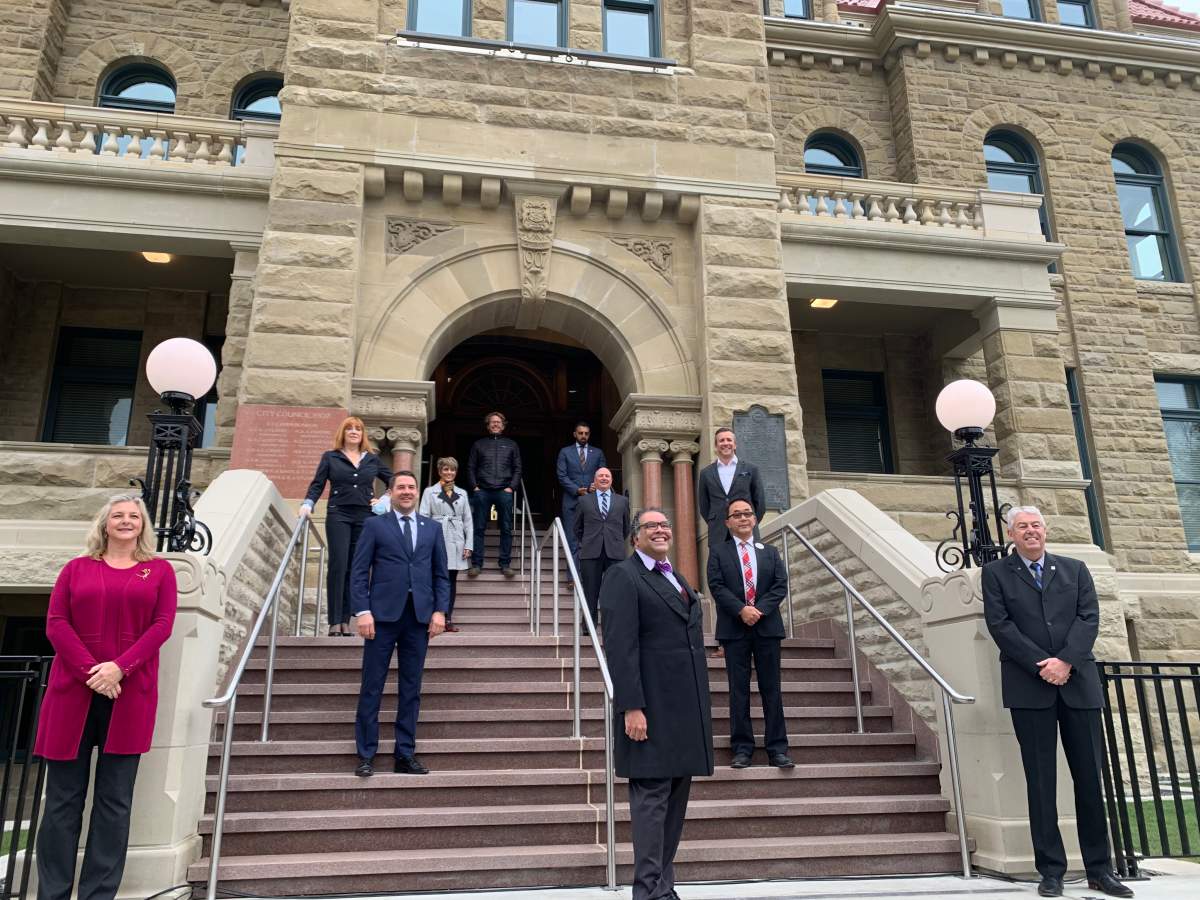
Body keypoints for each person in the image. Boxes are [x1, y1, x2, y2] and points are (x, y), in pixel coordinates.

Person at [982, 507, 1133, 899]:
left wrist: (1065, 661)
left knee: (1088, 779)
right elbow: (1001, 626)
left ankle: (1101, 869)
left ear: (1045, 531)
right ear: (1010, 534)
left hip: (1078, 685)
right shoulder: (996, 573)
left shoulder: (1075, 569)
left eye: (1036, 526)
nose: (1030, 532)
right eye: (1022, 527)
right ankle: (1051, 872)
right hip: (1029, 690)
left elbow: (1089, 618)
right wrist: (1043, 667)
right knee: (1041, 781)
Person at [34, 494, 177, 900]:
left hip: (129, 696)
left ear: (143, 526)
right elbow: (57, 623)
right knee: (62, 804)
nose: (126, 521)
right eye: (118, 515)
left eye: (134, 516)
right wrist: (93, 673)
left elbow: (162, 625)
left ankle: (98, 894)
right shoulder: (75, 569)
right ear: (104, 524)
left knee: (114, 805)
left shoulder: (159, 571)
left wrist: (118, 668)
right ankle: (53, 893)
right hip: (71, 696)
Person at [601, 507, 713, 900]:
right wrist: (631, 706)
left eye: (665, 524)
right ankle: (647, 892)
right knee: (651, 803)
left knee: (676, 803)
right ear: (635, 537)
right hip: (648, 709)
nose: (661, 530)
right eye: (651, 526)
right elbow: (619, 648)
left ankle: (663, 887)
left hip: (683, 711)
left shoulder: (675, 575)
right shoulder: (623, 576)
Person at [351, 471, 450, 777]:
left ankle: (404, 754)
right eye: (401, 488)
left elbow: (440, 575)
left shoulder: (432, 528)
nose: (406, 492)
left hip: (418, 619)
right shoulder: (374, 526)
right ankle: (366, 754)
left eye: (411, 487)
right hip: (381, 618)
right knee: (372, 686)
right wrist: (362, 611)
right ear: (390, 492)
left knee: (411, 688)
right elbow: (358, 572)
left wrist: (440, 612)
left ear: (418, 492)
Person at [706, 498, 793, 770]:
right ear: (728, 522)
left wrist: (758, 610)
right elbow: (716, 586)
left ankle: (777, 749)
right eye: (737, 515)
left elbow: (780, 585)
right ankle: (742, 748)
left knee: (772, 690)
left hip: (766, 628)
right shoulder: (718, 552)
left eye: (747, 514)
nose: (743, 518)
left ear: (754, 519)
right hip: (735, 629)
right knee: (738, 691)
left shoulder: (770, 552)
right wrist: (742, 610)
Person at [301, 416, 393, 635]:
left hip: (365, 516)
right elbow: (317, 484)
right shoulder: (330, 457)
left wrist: (385, 499)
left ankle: (346, 620)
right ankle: (334, 621)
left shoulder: (371, 459)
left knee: (355, 567)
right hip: (339, 514)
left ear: (363, 435)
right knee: (338, 565)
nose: (354, 432)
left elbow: (394, 479)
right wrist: (308, 504)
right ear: (343, 433)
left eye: (358, 429)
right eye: (349, 428)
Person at [419, 456, 472, 633]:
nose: (449, 472)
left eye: (452, 470)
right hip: (436, 537)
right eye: (445, 469)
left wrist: (468, 545)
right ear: (439, 471)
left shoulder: (463, 493)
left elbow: (468, 521)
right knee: (434, 578)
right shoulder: (429, 492)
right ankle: (431, 615)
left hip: (456, 539)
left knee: (451, 580)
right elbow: (423, 517)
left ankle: (447, 617)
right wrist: (424, 542)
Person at [466, 411, 522, 577]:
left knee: (506, 528)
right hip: (482, 491)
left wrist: (511, 487)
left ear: (503, 426)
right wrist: (475, 487)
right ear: (488, 426)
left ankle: (505, 564)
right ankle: (476, 564)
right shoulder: (478, 444)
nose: (495, 424)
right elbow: (470, 467)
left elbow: (518, 468)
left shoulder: (512, 445)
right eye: (492, 422)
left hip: (504, 490)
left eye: (498, 422)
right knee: (479, 528)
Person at [572, 467, 628, 625]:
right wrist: (588, 541)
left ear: (611, 480)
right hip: (591, 552)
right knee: (590, 591)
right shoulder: (584, 501)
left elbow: (625, 528)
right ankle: (588, 626)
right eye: (601, 476)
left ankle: (612, 625)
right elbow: (577, 527)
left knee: (614, 591)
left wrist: (614, 540)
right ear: (595, 480)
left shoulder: (622, 501)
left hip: (615, 552)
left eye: (607, 476)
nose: (604, 478)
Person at [697, 426, 765, 547]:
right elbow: (704, 506)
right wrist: (718, 521)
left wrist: (748, 522)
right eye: (721, 440)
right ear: (716, 445)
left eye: (729, 440)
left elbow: (759, 502)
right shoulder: (706, 473)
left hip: (746, 530)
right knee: (721, 565)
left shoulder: (750, 469)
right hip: (718, 532)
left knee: (747, 565)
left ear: (735, 444)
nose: (725, 443)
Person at [556, 421, 607, 556]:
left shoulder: (598, 453)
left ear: (589, 435)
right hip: (571, 502)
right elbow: (562, 475)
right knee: (571, 539)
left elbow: (603, 474)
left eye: (586, 433)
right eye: (580, 433)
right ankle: (572, 575)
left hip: (592, 501)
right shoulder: (565, 452)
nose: (583, 436)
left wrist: (595, 485)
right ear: (575, 434)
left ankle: (587, 575)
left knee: (590, 539)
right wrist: (577, 489)